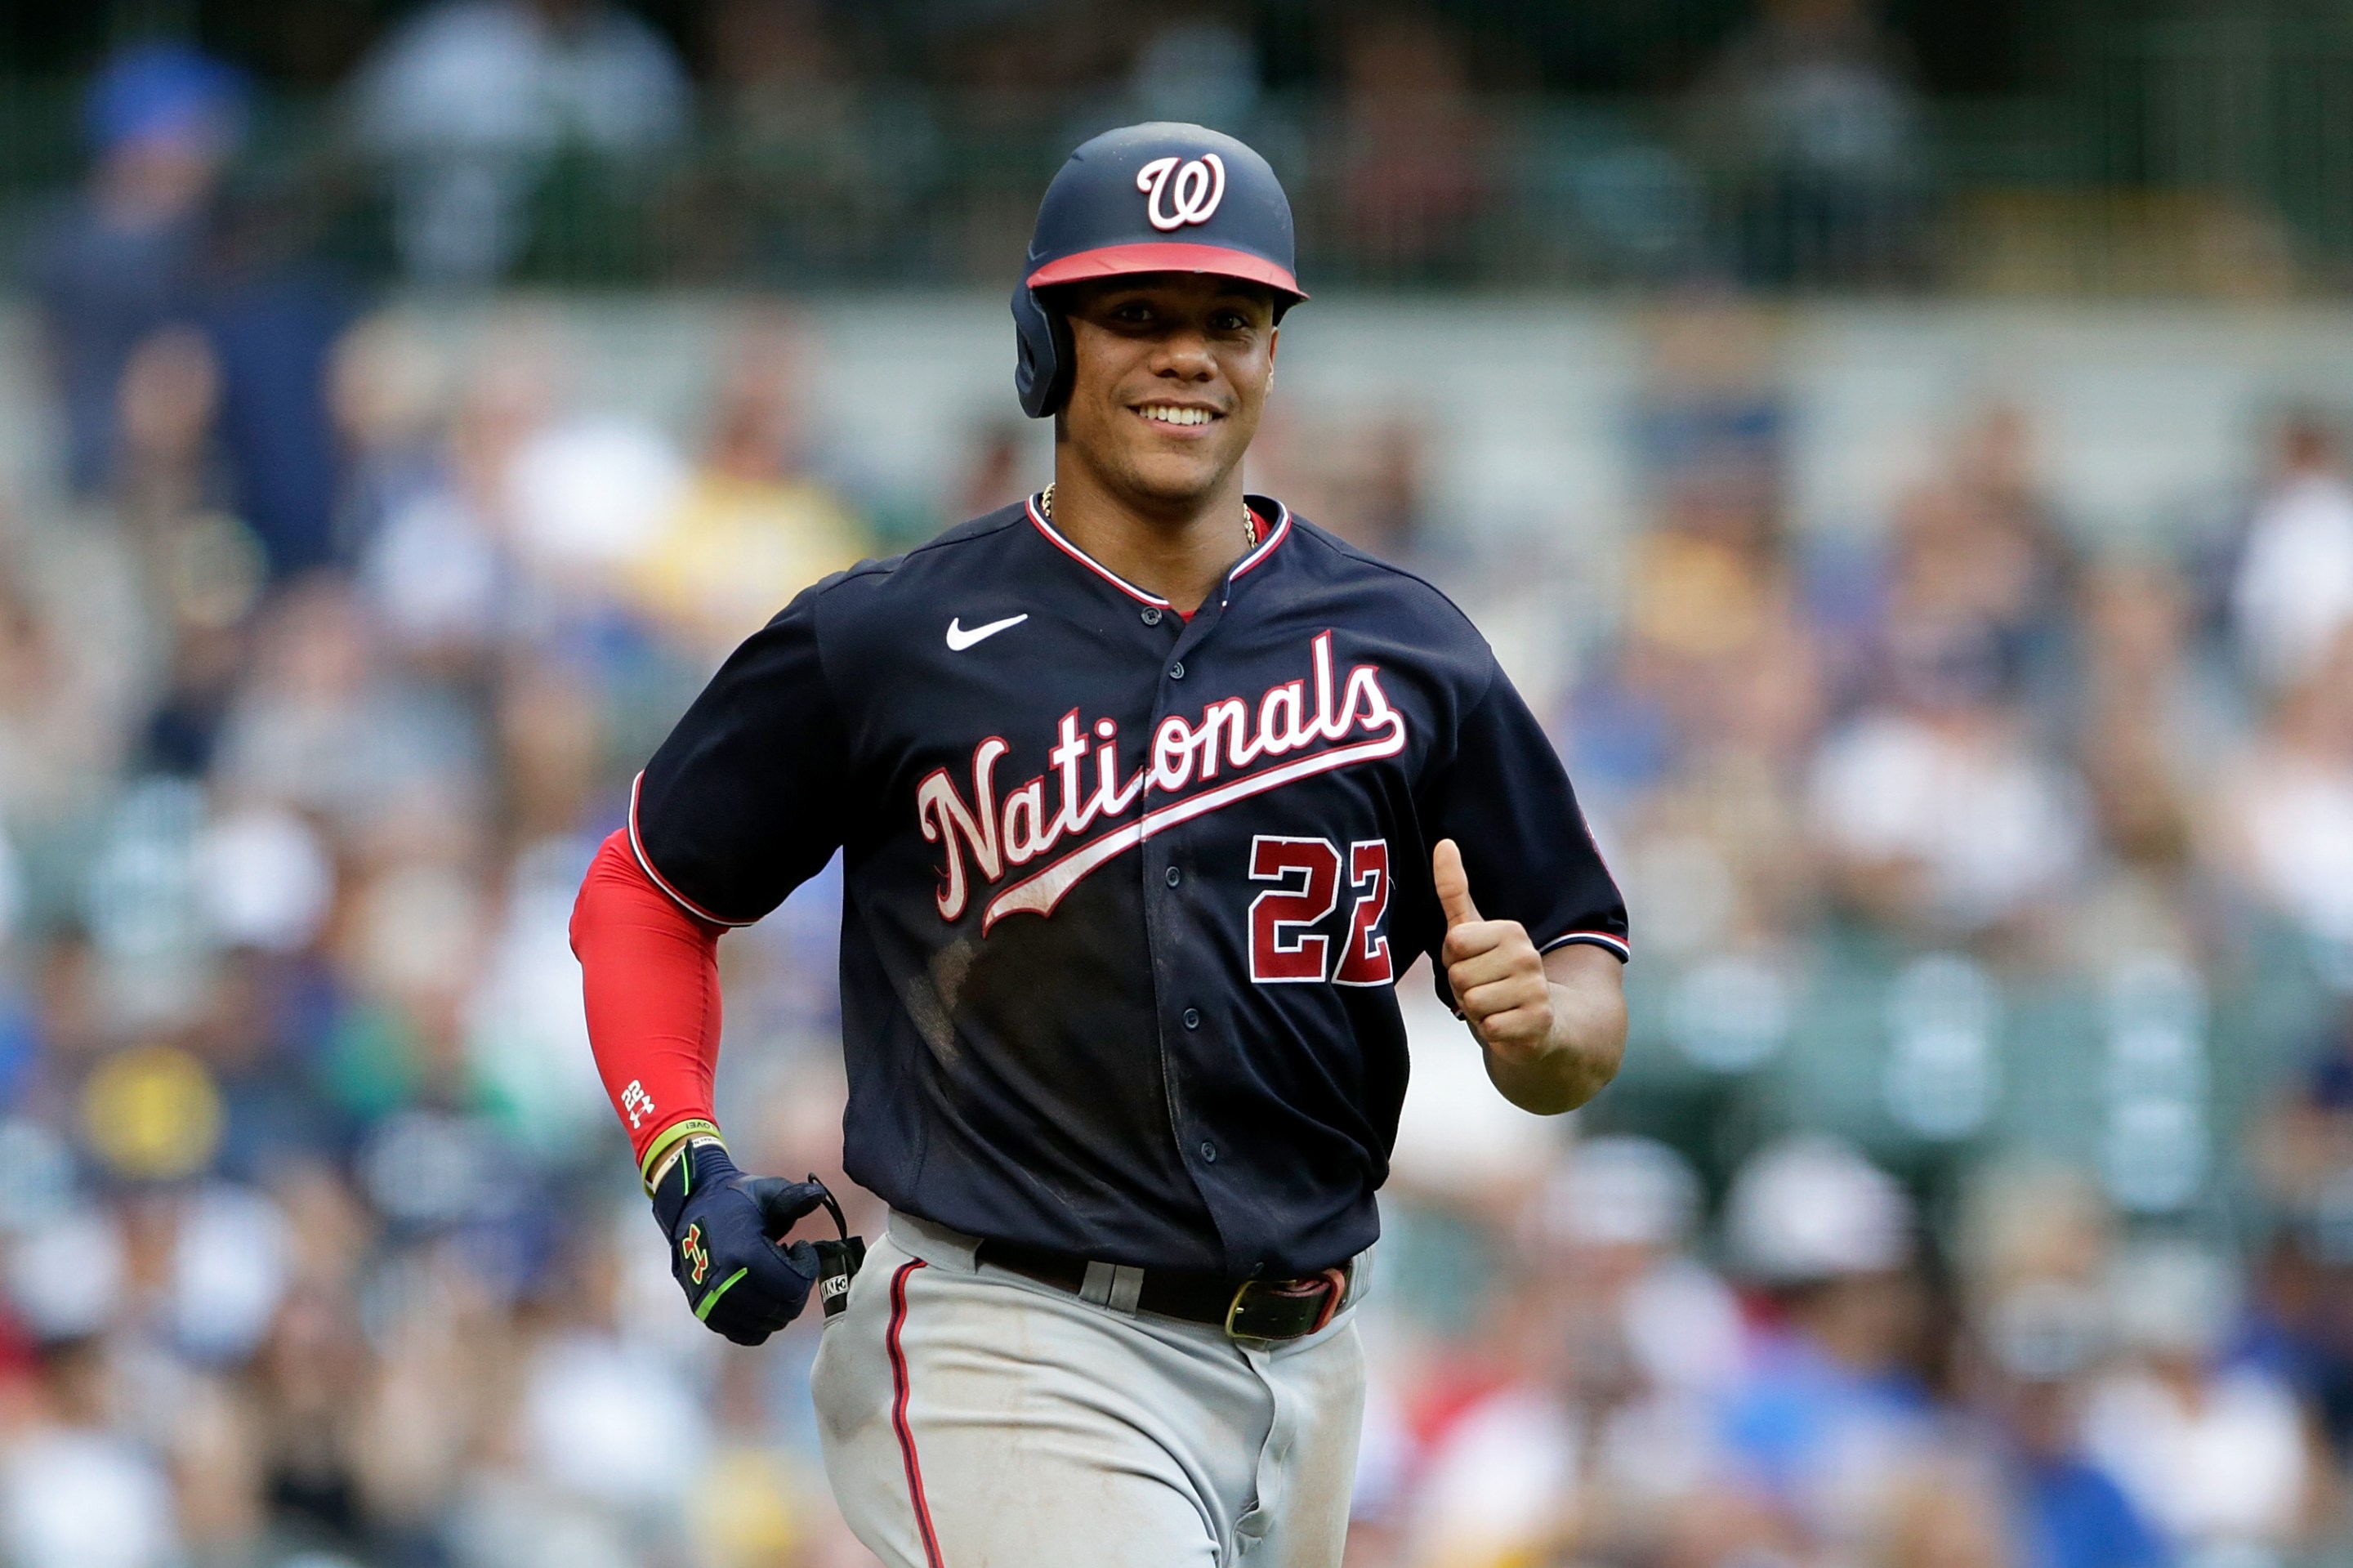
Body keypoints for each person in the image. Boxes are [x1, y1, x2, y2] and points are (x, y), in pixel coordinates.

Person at [569, 123, 1630, 1566]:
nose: (1188, 353)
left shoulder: (1404, 648)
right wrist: (684, 1159)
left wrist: (1544, 1036)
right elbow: (646, 889)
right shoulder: (890, 637)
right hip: (1010, 1334)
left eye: (1230, 319)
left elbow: (1581, 979)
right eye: (1136, 314)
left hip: (1312, 1365)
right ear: (1045, 345)